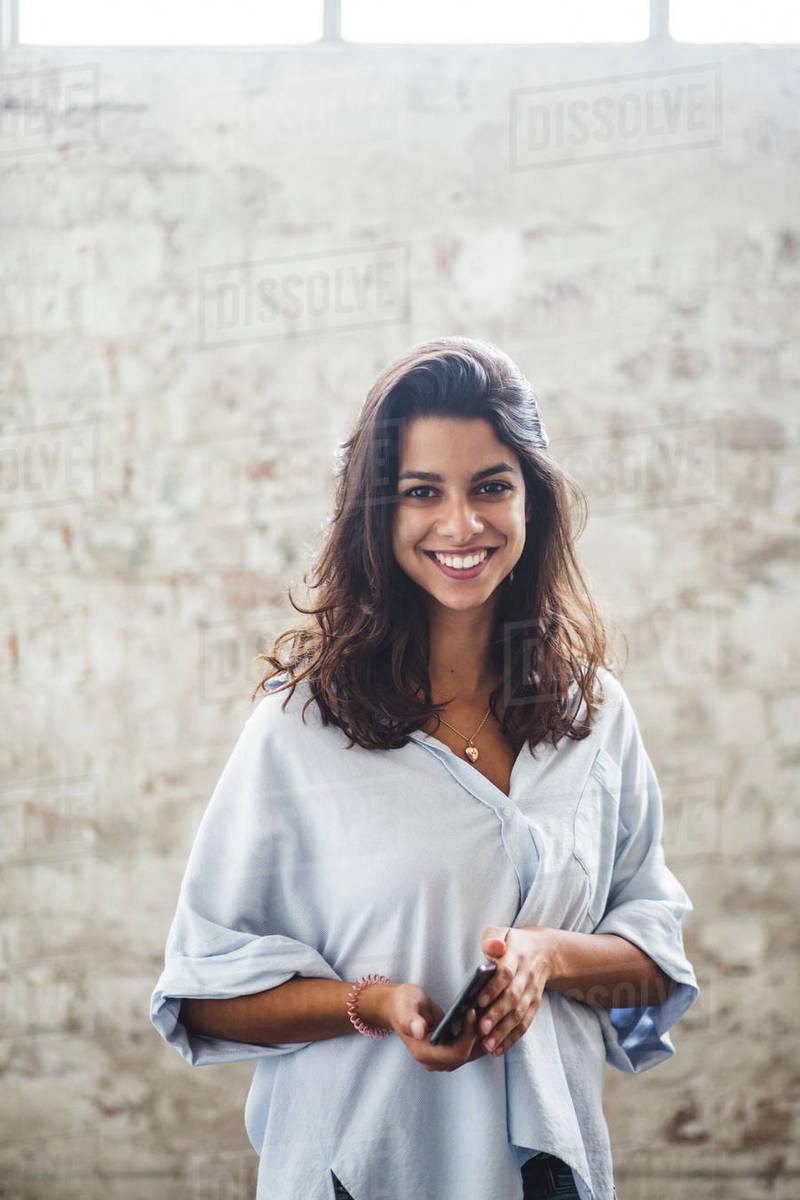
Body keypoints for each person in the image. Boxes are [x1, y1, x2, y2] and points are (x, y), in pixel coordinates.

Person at [150, 336, 699, 1200]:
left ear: (533, 501)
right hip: (361, 1171)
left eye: (491, 486)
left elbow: (658, 969)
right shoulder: (300, 730)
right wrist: (371, 1004)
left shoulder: (594, 716)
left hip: (547, 1179)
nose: (460, 524)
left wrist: (545, 958)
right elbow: (202, 992)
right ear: (378, 513)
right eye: (421, 493)